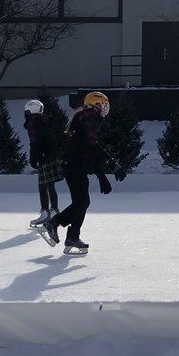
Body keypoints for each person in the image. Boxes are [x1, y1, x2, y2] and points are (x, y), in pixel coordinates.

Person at [44, 90, 114, 254]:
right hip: (75, 166)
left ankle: (67, 232)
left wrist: (104, 170)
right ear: (94, 105)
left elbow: (91, 149)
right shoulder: (89, 118)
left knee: (81, 202)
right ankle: (62, 229)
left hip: (76, 166)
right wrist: (105, 171)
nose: (105, 109)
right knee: (82, 202)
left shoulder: (87, 118)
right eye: (102, 105)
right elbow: (93, 147)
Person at [23, 98, 64, 234]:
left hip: (44, 156)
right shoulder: (46, 120)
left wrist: (33, 158)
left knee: (42, 185)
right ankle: (54, 210)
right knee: (50, 185)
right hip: (54, 154)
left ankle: (45, 212)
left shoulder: (32, 123)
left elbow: (34, 142)